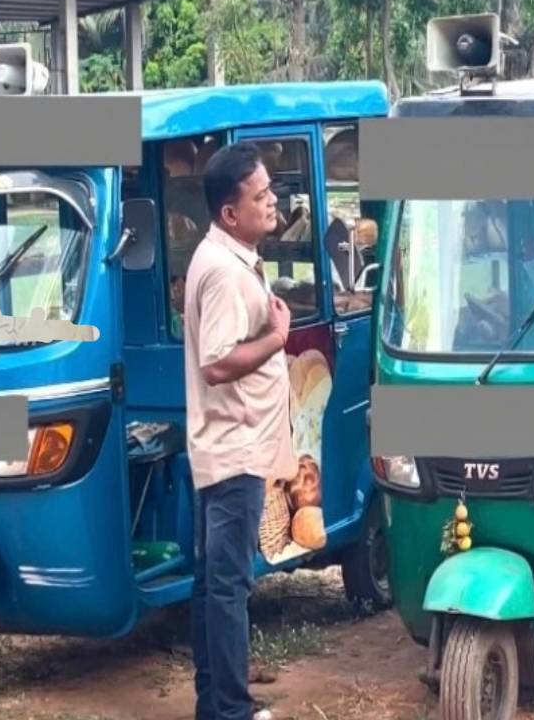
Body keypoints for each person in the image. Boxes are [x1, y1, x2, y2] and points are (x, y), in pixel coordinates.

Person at [183, 141, 297, 720]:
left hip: (227, 445)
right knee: (228, 586)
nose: (272, 201)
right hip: (234, 449)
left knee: (213, 584)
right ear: (230, 213)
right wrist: (278, 339)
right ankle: (229, 709)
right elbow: (216, 360)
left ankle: (215, 703)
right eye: (261, 196)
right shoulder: (225, 272)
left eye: (270, 189)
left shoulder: (226, 258)